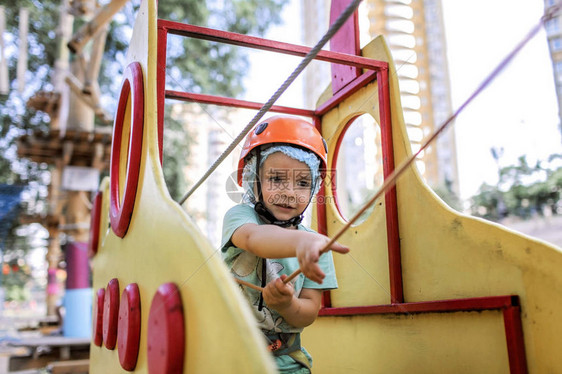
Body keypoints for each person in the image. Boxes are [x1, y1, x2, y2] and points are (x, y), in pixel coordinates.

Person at [220, 115, 349, 373]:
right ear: (253, 180)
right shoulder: (241, 218)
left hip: (287, 361)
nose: (289, 192)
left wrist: (287, 305)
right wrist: (302, 241)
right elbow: (255, 240)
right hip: (226, 353)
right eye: (276, 179)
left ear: (313, 189)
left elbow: (309, 311)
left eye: (302, 183)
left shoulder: (315, 246)